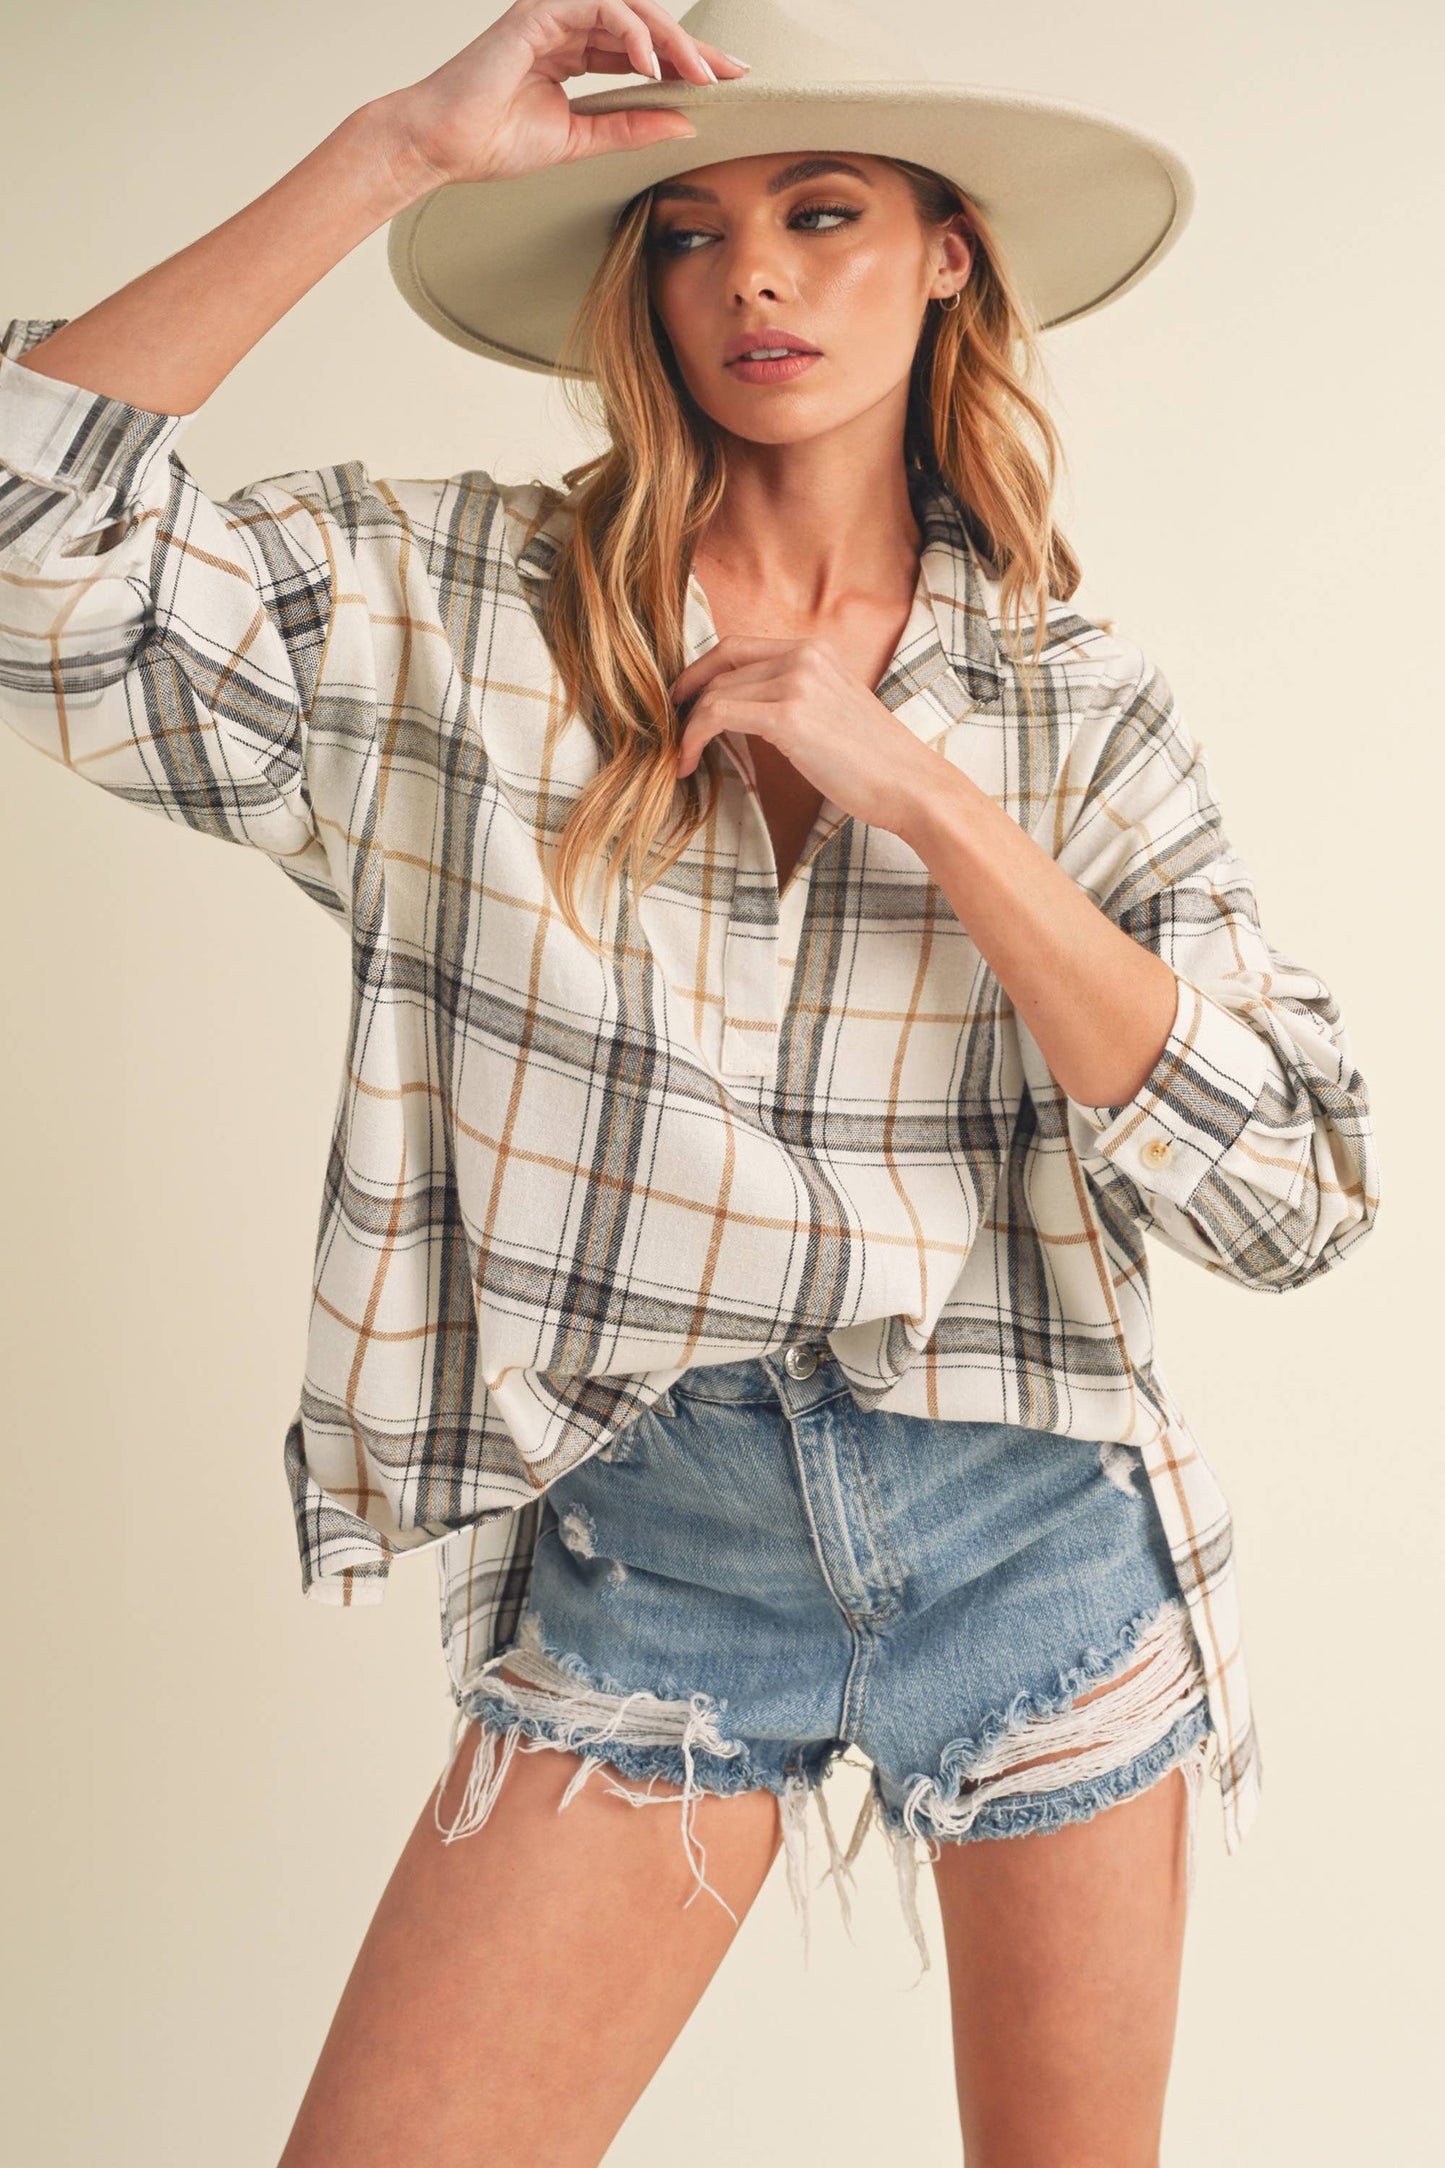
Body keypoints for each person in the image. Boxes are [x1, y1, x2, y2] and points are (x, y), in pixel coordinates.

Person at [0, 1, 1379, 2162]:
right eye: (689, 230)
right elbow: (21, 528)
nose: (752, 277)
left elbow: (1291, 1188)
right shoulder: (457, 611)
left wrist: (926, 794)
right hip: (662, 1551)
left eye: (824, 212)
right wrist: (382, 152)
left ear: (945, 253)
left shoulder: (1074, 708)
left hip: (1036, 1535)